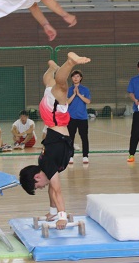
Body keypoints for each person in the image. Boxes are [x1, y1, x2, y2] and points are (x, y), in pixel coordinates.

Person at [19, 52, 91, 230]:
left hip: (55, 118)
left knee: (61, 86)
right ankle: (52, 67)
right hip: (51, 119)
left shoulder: (47, 165)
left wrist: (62, 216)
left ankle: (69, 62)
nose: (41, 188)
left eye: (37, 186)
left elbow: (57, 191)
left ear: (37, 176)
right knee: (49, 83)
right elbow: (52, 187)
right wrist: (52, 211)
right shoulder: (45, 168)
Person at [67, 69, 91, 164]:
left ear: (81, 78)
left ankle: (85, 156)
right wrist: (74, 94)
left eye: (77, 76)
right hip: (71, 117)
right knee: (70, 138)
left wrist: (79, 94)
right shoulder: (69, 90)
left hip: (82, 118)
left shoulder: (85, 89)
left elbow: (88, 101)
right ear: (72, 78)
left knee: (84, 137)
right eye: (74, 76)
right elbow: (67, 102)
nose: (75, 78)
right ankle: (70, 156)